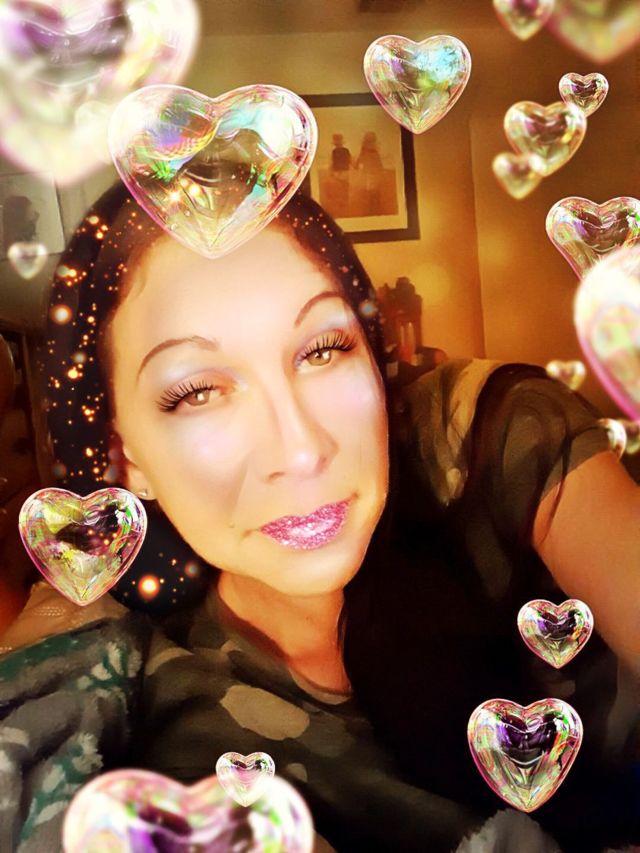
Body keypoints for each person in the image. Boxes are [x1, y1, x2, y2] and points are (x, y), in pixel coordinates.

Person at [0, 180, 639, 853]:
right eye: (197, 392)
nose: (302, 450)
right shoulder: (188, 753)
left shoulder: (484, 438)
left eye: (323, 349)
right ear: (128, 459)